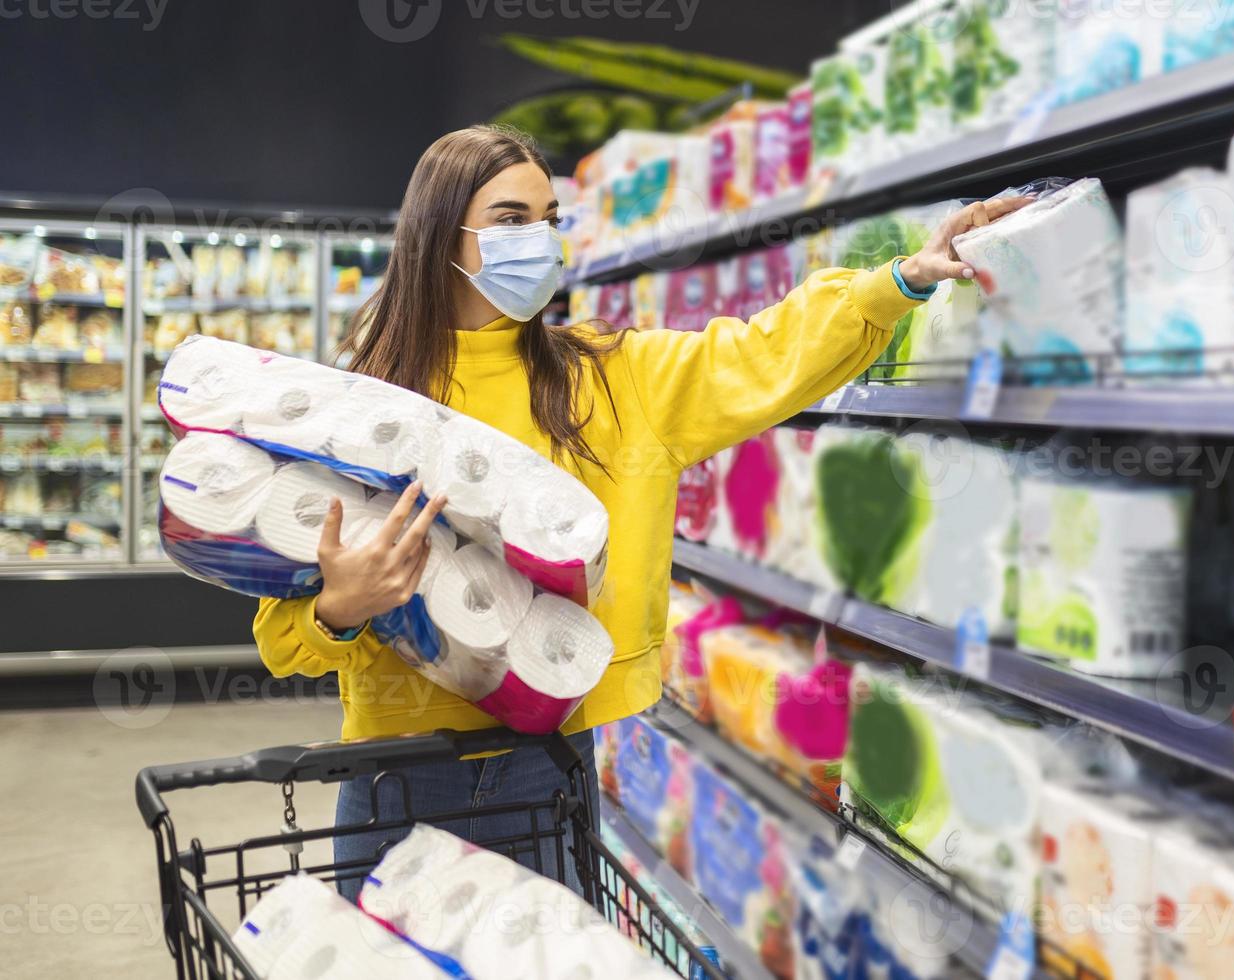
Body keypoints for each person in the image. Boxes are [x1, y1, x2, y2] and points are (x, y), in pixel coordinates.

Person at [252, 124, 1027, 899]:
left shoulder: (613, 378)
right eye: (513, 219)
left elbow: (762, 353)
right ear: (439, 235)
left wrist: (901, 279)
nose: (541, 241)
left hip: (547, 768)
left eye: (550, 218)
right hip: (399, 780)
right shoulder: (364, 411)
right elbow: (282, 639)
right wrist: (340, 608)